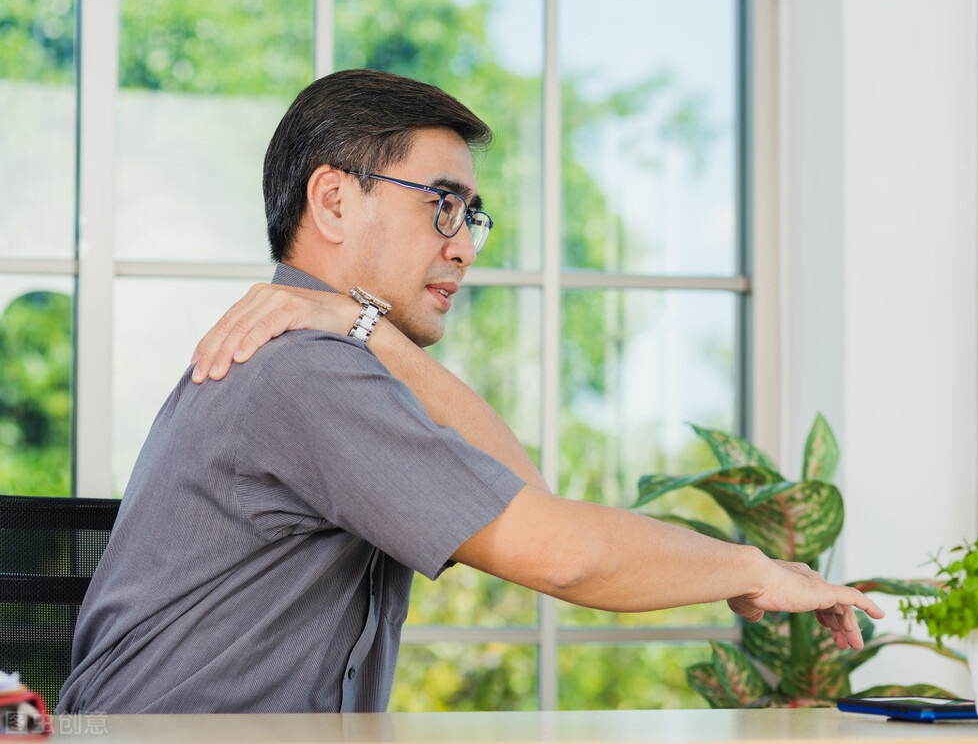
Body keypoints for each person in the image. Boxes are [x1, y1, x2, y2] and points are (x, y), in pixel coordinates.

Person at [59, 69, 882, 714]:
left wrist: (370, 329)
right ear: (334, 201)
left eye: (471, 216)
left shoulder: (337, 351)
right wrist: (753, 569)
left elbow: (530, 499)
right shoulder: (304, 371)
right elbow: (566, 554)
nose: (464, 247)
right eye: (442, 205)